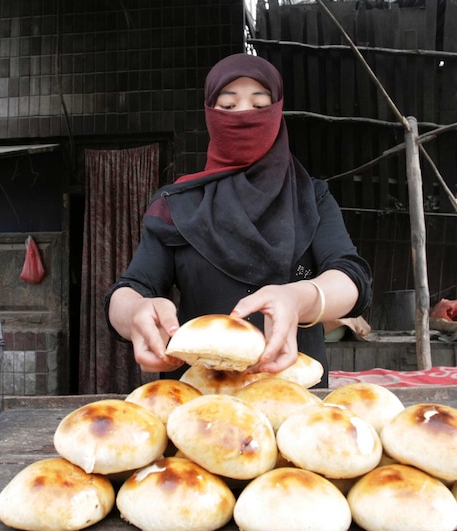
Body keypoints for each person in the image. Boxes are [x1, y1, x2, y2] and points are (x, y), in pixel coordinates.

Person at [106, 53, 372, 387]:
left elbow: (351, 277)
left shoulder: (311, 197)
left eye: (259, 104)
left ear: (277, 112)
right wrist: (135, 313)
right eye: (228, 107)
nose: (244, 114)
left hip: (293, 399)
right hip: (197, 402)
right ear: (209, 114)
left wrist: (298, 298)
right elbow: (131, 288)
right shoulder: (177, 205)